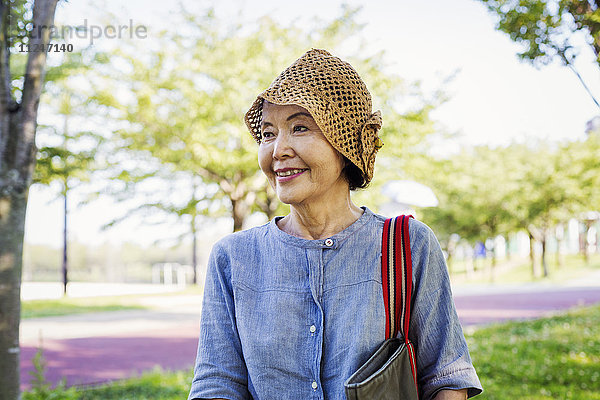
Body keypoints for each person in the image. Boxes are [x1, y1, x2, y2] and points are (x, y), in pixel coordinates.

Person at [188, 49, 483, 400]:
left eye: (299, 128)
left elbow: (447, 378)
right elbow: (217, 384)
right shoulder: (233, 257)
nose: (278, 149)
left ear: (345, 145)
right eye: (268, 134)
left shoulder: (409, 245)